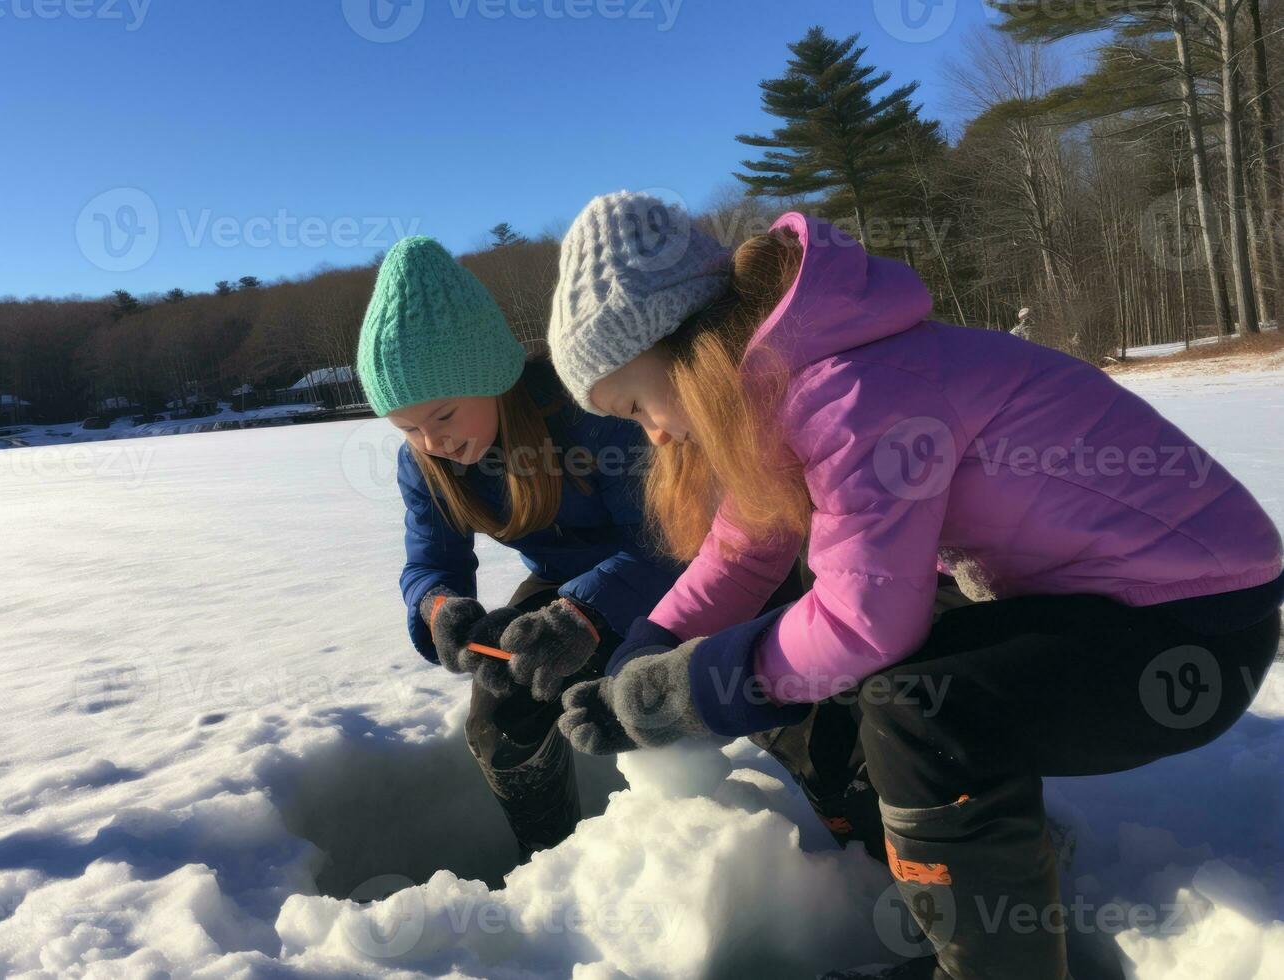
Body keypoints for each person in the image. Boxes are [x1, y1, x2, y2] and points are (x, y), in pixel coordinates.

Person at [545, 191, 1284, 979]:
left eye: (635, 404)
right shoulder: (792, 380)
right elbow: (743, 553)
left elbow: (863, 623)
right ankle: (977, 876)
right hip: (1111, 604)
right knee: (866, 661)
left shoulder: (850, 392)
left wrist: (693, 684)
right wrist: (645, 655)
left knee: (914, 707)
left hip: (1193, 628)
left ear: (684, 350)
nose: (653, 432)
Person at [356, 236, 814, 860]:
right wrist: (439, 608)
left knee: (786, 702)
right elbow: (431, 563)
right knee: (499, 719)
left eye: (444, 415)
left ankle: (851, 843)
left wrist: (586, 613)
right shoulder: (426, 465)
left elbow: (670, 541)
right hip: (565, 592)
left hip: (705, 569)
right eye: (407, 429)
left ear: (493, 380)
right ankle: (549, 857)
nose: (431, 442)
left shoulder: (587, 416)